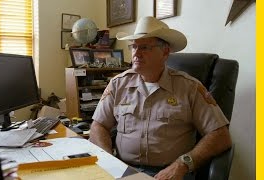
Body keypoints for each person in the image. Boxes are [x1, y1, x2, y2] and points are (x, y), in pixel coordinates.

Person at [89, 16, 232, 180]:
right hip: (124, 170)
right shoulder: (118, 84)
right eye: (133, 47)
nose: (136, 53)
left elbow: (221, 136)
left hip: (170, 173)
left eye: (144, 47)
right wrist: (109, 161)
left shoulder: (189, 88)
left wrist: (182, 164)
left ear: (165, 52)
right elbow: (98, 125)